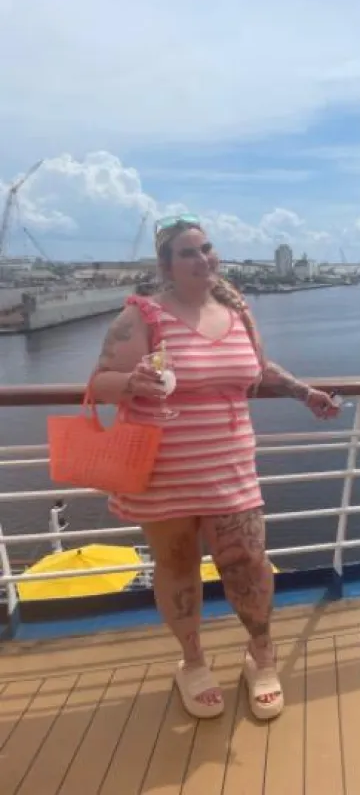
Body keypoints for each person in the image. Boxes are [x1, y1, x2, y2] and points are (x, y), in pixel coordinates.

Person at [90, 214, 339, 721]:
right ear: (167, 265)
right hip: (162, 475)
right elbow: (99, 382)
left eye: (206, 248)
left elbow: (258, 369)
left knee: (248, 562)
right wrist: (132, 382)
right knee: (177, 566)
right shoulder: (142, 316)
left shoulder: (237, 310)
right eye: (188, 252)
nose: (202, 259)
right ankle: (193, 663)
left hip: (230, 469)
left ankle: (261, 656)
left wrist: (302, 392)